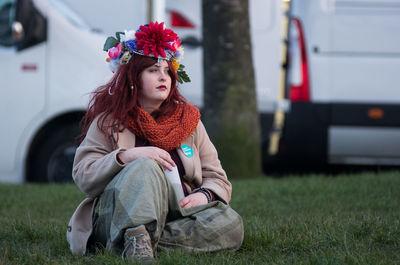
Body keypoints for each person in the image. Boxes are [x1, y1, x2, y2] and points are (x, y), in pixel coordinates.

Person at [66, 21, 244, 263]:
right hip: (115, 212)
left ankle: (138, 243)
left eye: (167, 71)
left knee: (232, 225)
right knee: (145, 164)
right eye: (152, 70)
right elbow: (83, 176)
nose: (164, 77)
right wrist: (126, 157)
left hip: (177, 212)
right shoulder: (108, 121)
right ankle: (134, 234)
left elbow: (218, 179)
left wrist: (204, 195)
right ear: (132, 77)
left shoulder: (189, 120)